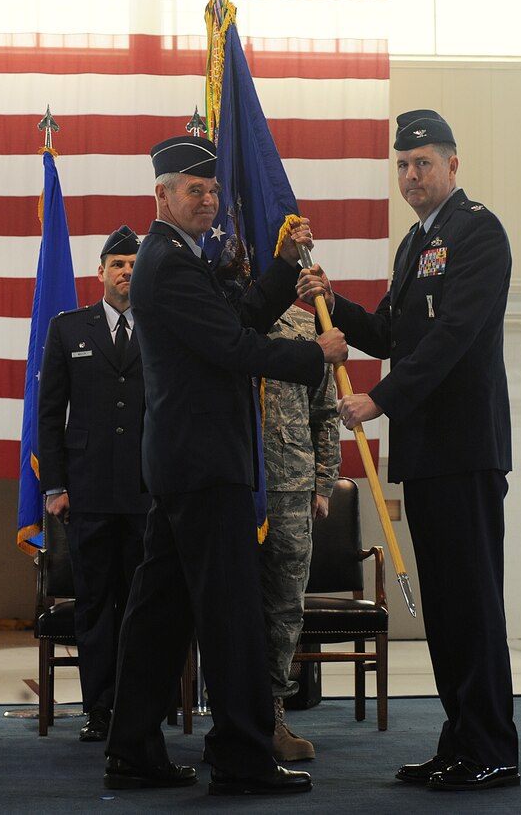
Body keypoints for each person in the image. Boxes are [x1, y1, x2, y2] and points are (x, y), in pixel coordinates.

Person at [103, 135, 348, 796]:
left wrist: (280, 268)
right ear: (161, 194)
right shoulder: (170, 263)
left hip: (187, 464)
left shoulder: (172, 258)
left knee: (159, 615)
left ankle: (131, 750)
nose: (209, 199)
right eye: (194, 189)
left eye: (213, 190)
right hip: (206, 466)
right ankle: (241, 759)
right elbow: (234, 345)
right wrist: (314, 355)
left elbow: (236, 314)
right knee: (233, 615)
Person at [297, 110, 519, 792]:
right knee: (447, 608)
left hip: (463, 450)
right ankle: (460, 741)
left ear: (452, 165)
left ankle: (492, 748)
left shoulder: (476, 231)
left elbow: (453, 338)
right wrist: (330, 301)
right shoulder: (413, 245)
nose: (410, 175)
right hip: (425, 454)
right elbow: (393, 332)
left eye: (423, 162)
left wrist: (379, 400)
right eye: (402, 164)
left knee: (471, 604)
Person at [38, 225, 150, 742]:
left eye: (134, 263)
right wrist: (55, 486)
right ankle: (99, 707)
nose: (126, 271)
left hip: (148, 490)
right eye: (118, 264)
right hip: (86, 492)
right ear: (100, 272)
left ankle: (138, 706)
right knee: (94, 603)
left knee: (141, 604)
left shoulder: (161, 324)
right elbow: (50, 412)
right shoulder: (68, 329)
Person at [261, 304, 340, 761]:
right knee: (232, 603)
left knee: (286, 607)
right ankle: (235, 719)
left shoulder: (306, 325)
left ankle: (272, 717)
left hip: (292, 485)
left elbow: (325, 411)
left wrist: (323, 483)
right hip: (236, 483)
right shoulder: (228, 313)